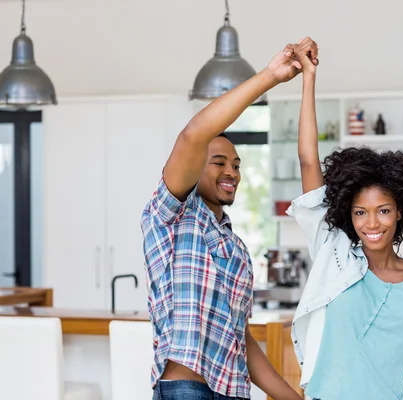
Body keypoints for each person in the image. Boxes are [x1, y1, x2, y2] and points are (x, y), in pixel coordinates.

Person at [141, 39, 319, 400]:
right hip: (187, 388)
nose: (231, 172)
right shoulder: (172, 216)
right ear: (194, 166)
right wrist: (270, 76)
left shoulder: (234, 246)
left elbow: (240, 338)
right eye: (218, 162)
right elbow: (194, 135)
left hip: (234, 391)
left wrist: (291, 397)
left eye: (236, 164)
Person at [286, 39, 403, 400]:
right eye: (360, 212)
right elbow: (308, 161)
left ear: (400, 212)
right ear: (348, 214)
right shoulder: (335, 254)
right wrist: (309, 78)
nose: (371, 223)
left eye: (382, 210)